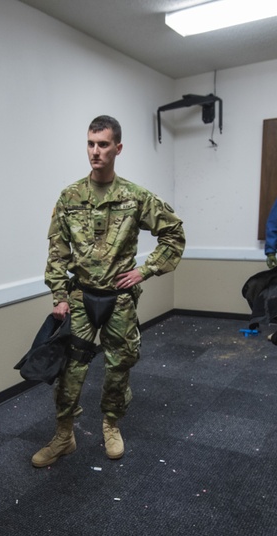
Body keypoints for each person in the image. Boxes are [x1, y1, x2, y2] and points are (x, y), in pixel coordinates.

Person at [33, 115, 185, 467]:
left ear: (118, 148)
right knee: (70, 368)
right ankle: (64, 434)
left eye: (103, 144)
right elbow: (57, 250)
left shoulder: (134, 197)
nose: (95, 151)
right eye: (90, 143)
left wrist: (145, 270)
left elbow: (174, 233)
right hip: (80, 297)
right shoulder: (70, 196)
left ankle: (111, 424)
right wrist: (58, 295)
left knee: (119, 365)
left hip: (119, 300)